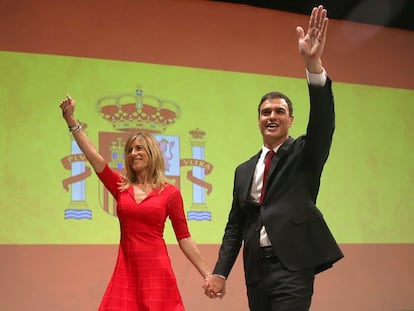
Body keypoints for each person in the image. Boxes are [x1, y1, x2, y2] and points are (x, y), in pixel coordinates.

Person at [203, 5, 344, 311]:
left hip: (292, 269)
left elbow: (323, 122)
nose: (272, 116)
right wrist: (220, 271)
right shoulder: (243, 171)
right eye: (266, 112)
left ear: (291, 120)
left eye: (280, 111)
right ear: (258, 120)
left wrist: (313, 65)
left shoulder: (304, 154)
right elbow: (235, 227)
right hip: (256, 272)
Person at [59, 96, 212, 311]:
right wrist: (71, 120)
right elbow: (94, 157)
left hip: (157, 271)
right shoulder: (121, 186)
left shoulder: (170, 193)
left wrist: (207, 274)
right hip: (127, 268)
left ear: (151, 153)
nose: (133, 154)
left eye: (139, 148)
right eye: (130, 150)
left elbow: (184, 237)